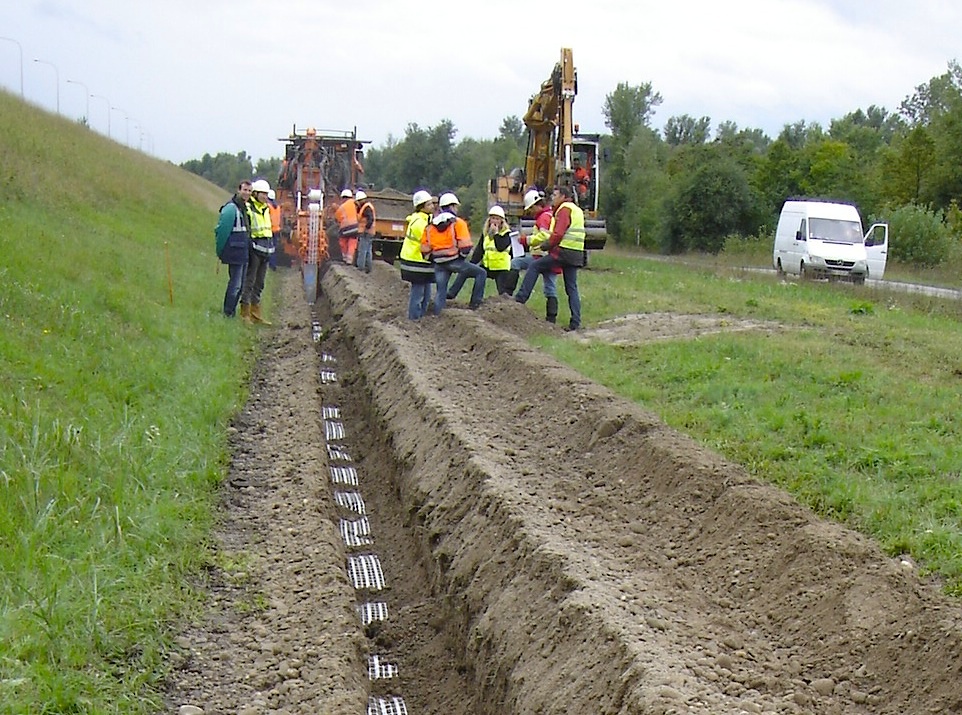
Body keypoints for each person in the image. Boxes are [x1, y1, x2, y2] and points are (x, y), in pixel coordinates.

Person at [514, 184, 586, 331]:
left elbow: (558, 234)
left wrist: (546, 246)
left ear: (563, 197)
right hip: (576, 253)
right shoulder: (577, 210)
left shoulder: (564, 209)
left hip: (563, 252)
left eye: (555, 195)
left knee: (535, 265)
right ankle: (575, 323)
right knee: (571, 288)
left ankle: (520, 299)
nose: (552, 198)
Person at [425, 192, 485, 313]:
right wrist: (460, 257)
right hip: (454, 260)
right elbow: (466, 246)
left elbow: (425, 248)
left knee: (441, 291)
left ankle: (438, 314)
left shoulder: (431, 225)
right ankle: (475, 305)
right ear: (452, 207)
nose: (457, 209)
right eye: (456, 206)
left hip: (438, 262)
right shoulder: (458, 223)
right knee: (481, 273)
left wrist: (434, 258)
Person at [508, 189, 561, 323]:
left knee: (516, 263)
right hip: (552, 257)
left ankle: (509, 296)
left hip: (540, 255)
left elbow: (544, 236)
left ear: (536, 205)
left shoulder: (543, 217)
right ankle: (551, 319)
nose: (530, 212)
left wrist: (527, 240)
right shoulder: (550, 215)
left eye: (530, 209)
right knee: (550, 288)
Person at [214, 179, 252, 318]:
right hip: (235, 253)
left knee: (240, 286)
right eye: (245, 190)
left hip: (242, 252)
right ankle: (228, 312)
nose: (247, 193)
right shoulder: (231, 209)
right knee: (235, 284)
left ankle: (231, 312)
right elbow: (222, 231)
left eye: (249, 191)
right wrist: (220, 251)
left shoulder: (243, 208)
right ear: (239, 190)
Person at [240, 179, 276, 325]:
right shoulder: (249, 208)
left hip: (266, 250)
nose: (265, 197)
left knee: (260, 283)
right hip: (255, 250)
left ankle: (256, 313)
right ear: (255, 194)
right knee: (250, 281)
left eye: (267, 194)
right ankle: (245, 313)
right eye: (263, 194)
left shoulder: (266, 208)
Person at [399, 189, 436, 319]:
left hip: (421, 262)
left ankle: (420, 318)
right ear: (422, 207)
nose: (433, 206)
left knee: (426, 293)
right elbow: (430, 241)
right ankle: (414, 319)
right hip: (415, 262)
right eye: (429, 204)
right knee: (418, 293)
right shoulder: (420, 223)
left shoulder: (424, 219)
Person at [466, 205, 513, 295]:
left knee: (503, 293)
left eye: (497, 219)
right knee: (477, 276)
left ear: (501, 221)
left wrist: (495, 234)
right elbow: (479, 251)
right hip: (488, 266)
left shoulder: (506, 234)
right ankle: (475, 300)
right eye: (493, 218)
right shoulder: (485, 234)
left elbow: (500, 247)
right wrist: (471, 264)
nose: (494, 221)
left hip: (501, 268)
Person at [334, 188, 359, 265]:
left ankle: (344, 258)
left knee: (343, 242)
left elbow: (337, 218)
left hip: (345, 229)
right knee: (352, 243)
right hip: (355, 227)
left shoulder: (342, 207)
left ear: (343, 198)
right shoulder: (356, 203)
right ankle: (349, 260)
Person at [355, 189, 376, 273]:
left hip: (366, 232)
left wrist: (366, 228)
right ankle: (368, 268)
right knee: (367, 250)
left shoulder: (366, 207)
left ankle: (360, 268)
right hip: (369, 232)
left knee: (362, 250)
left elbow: (370, 219)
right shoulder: (367, 206)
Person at [267, 188, 281, 271]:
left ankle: (271, 265)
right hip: (276, 229)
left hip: (269, 230)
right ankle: (273, 264)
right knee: (273, 248)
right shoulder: (277, 207)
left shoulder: (268, 206)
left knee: (269, 248)